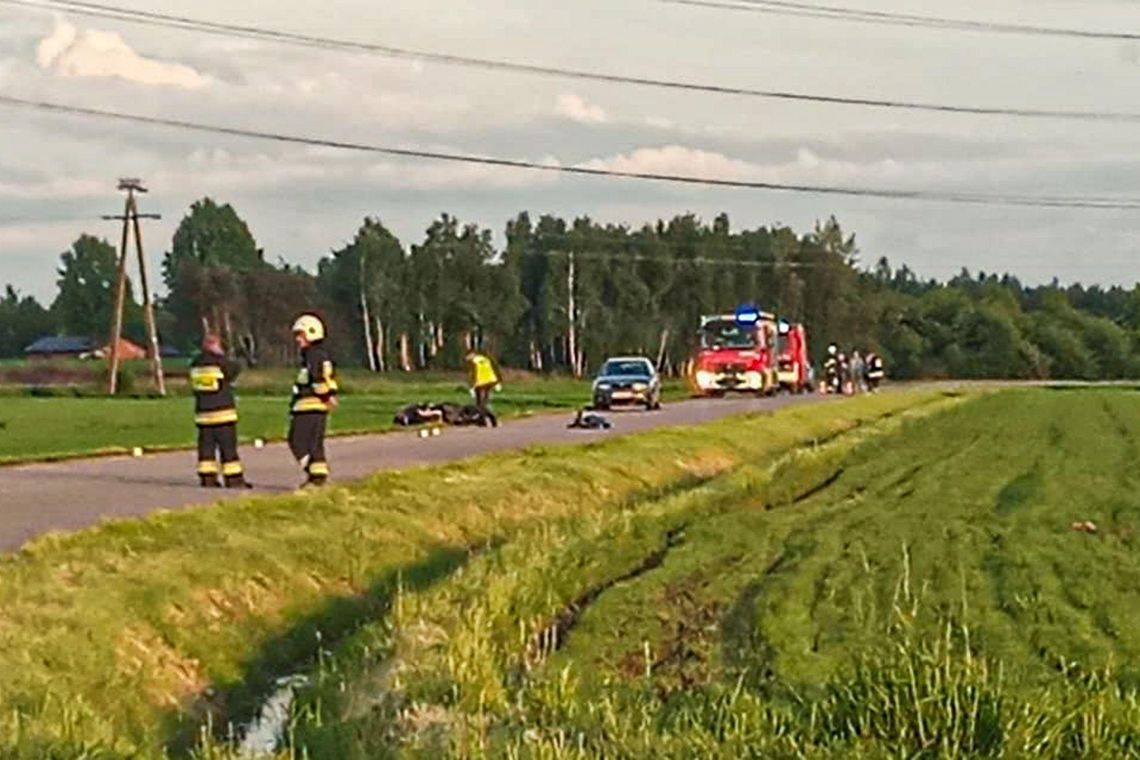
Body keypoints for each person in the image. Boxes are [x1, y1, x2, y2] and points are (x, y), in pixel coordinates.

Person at [190, 334, 249, 489]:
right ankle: (233, 479)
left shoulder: (195, 364)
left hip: (203, 415)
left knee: (206, 449)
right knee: (228, 448)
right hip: (223, 413)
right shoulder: (221, 362)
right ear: (215, 345)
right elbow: (234, 370)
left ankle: (207, 478)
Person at [288, 313, 338, 487]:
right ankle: (317, 477)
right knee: (314, 445)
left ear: (311, 333)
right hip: (313, 406)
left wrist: (326, 396)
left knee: (297, 441)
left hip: (309, 406)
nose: (297, 339)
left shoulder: (313, 356)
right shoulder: (313, 355)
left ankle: (315, 475)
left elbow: (318, 379)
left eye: (300, 335)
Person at [465, 348, 501, 428]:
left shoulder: (473, 362)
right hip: (490, 381)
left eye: (467, 356)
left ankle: (493, 419)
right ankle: (482, 421)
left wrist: (471, 386)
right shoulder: (485, 359)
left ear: (472, 355)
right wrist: (496, 382)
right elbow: (491, 370)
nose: (466, 359)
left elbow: (474, 374)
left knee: (482, 404)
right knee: (481, 403)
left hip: (481, 383)